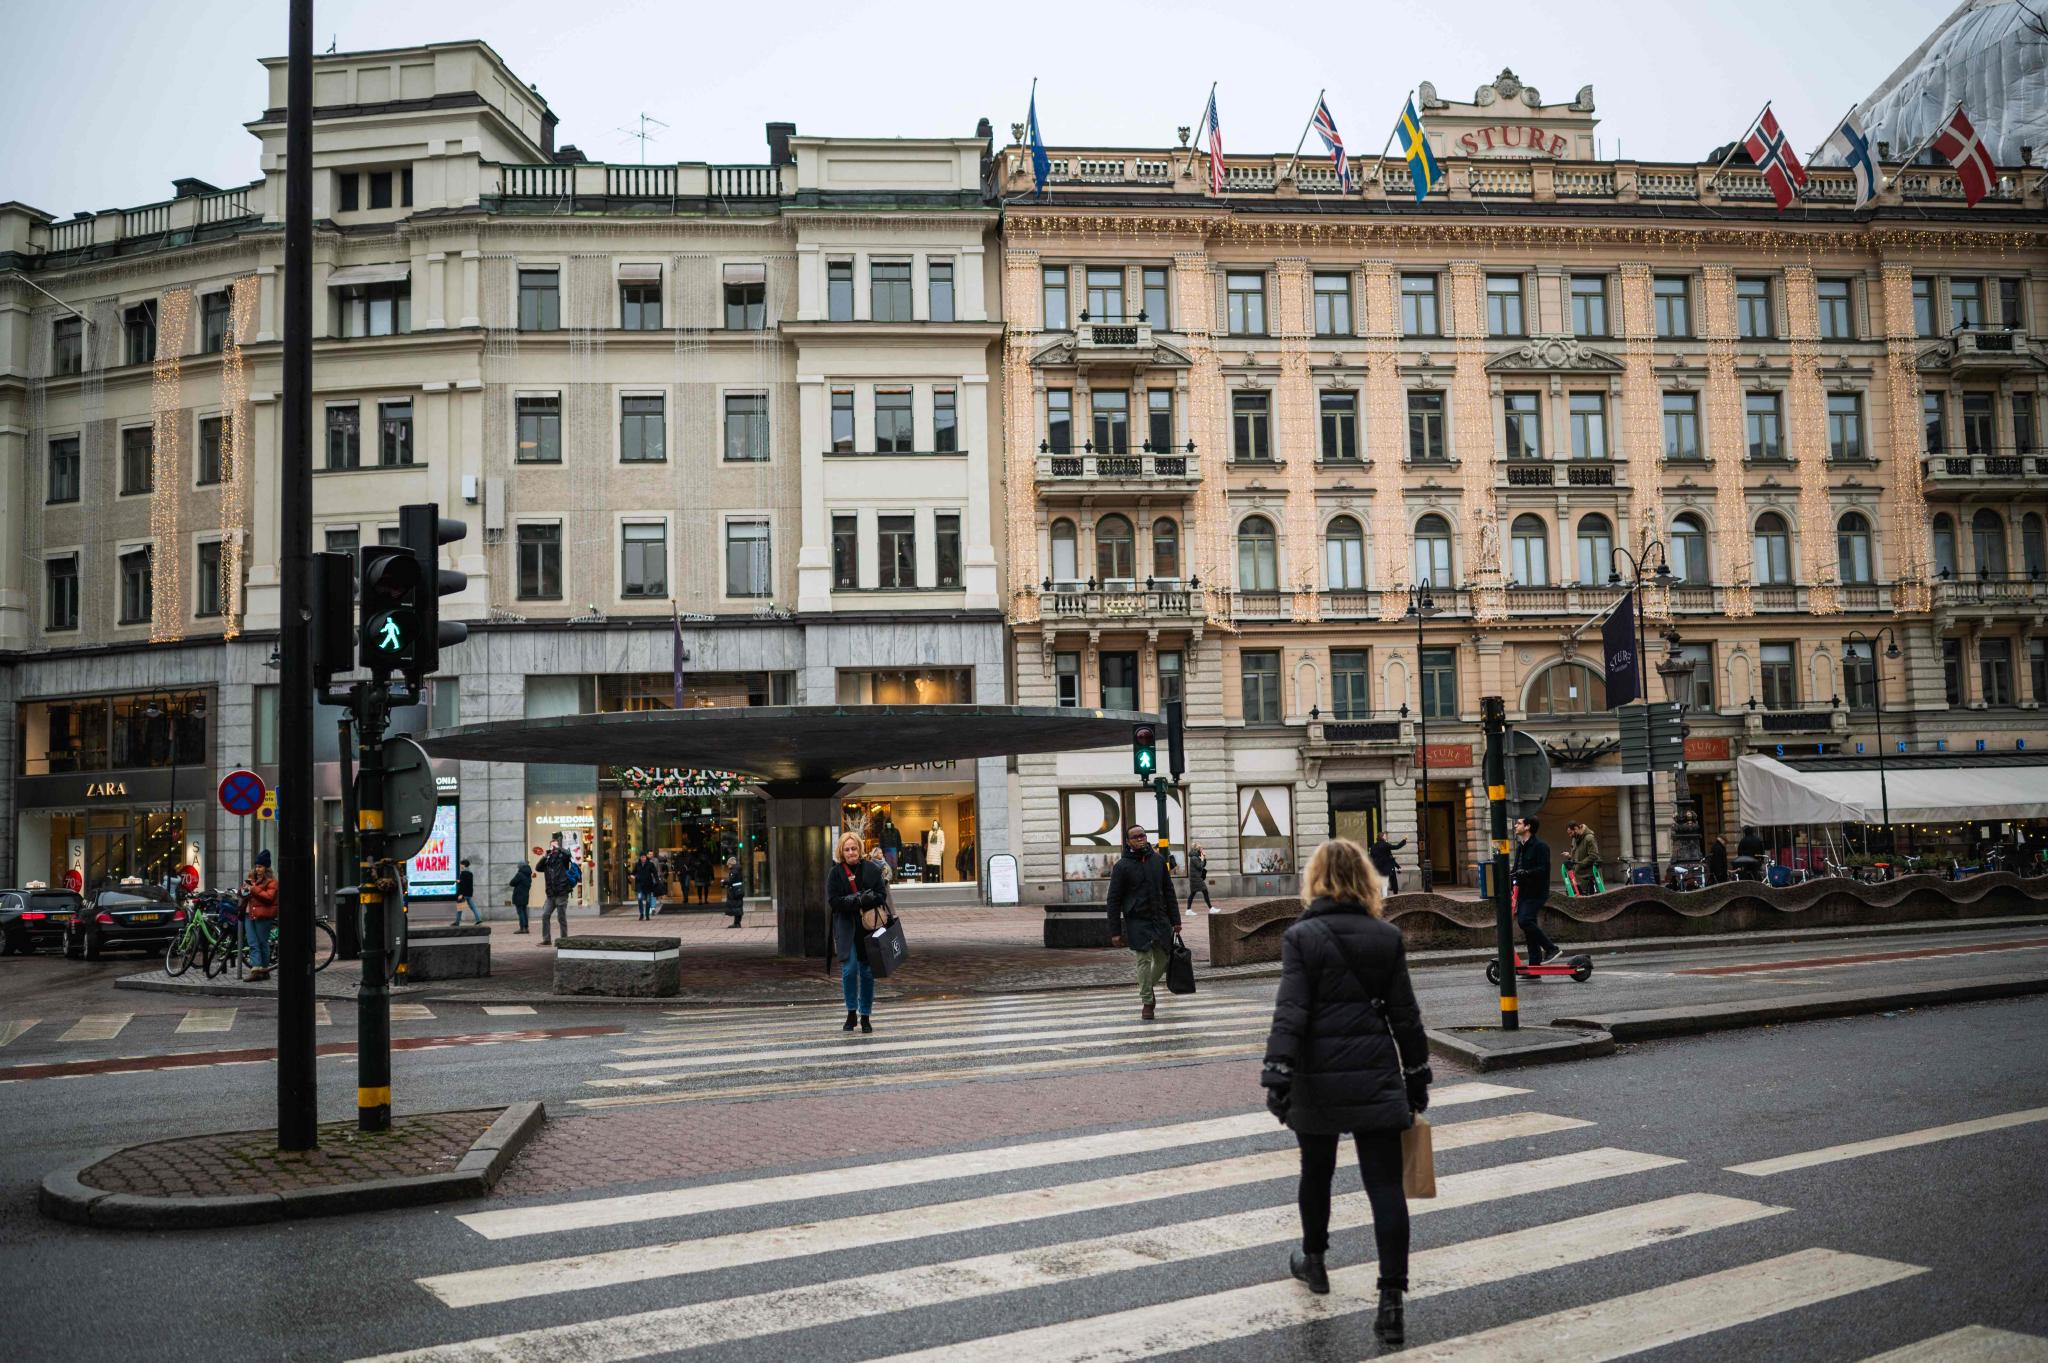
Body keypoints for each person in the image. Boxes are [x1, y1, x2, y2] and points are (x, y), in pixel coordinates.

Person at [1259, 837, 1430, 1347]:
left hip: (1318, 1075)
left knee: (1317, 1172)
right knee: (1385, 1186)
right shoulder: (1386, 936)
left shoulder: (1301, 937)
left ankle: (1314, 1262)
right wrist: (1417, 1074)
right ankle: (1391, 1300)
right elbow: (1405, 1013)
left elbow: (1291, 1011)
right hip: (1376, 1071)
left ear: (1315, 880)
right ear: (1365, 879)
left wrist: (1277, 1074)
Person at [1105, 823, 1178, 1021]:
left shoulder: (1157, 861)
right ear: (1128, 842)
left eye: (1142, 835)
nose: (1140, 839)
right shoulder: (1122, 866)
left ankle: (1147, 987)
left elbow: (1169, 891)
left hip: (1160, 917)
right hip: (1137, 919)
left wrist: (1176, 920)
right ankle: (1147, 1001)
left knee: (1164, 959)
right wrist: (1115, 931)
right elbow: (1113, 900)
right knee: (1143, 959)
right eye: (1135, 837)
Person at [827, 830, 888, 1033]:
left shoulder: (870, 869)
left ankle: (866, 1015)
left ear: (860, 849)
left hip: (869, 928)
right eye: (847, 849)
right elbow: (833, 901)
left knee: (868, 972)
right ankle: (851, 1011)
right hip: (846, 928)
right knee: (849, 969)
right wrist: (854, 900)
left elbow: (882, 895)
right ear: (841, 851)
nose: (851, 852)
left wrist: (868, 898)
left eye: (854, 848)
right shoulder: (835, 873)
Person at [1512, 815, 1561, 966]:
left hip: (1536, 892)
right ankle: (1535, 964)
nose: (1515, 826)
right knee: (1528, 926)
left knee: (1525, 920)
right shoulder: (1521, 847)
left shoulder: (1540, 846)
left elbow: (1543, 869)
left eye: (1518, 823)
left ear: (1527, 827)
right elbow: (1516, 869)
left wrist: (1526, 873)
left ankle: (1551, 948)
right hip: (1523, 892)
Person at [242, 849, 279, 982]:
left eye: (260, 866)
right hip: (249, 914)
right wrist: (243, 890)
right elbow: (245, 895)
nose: (258, 869)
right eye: (256, 866)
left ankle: (263, 970)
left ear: (266, 868)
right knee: (253, 943)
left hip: (263, 916)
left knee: (262, 943)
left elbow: (269, 897)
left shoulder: (272, 882)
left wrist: (253, 889)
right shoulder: (251, 879)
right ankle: (257, 969)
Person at [537, 833, 574, 945]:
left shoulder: (563, 859)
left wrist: (559, 848)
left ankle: (564, 938)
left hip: (561, 892)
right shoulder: (548, 860)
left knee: (561, 917)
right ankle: (546, 939)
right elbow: (538, 868)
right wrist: (544, 856)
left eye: (555, 846)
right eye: (551, 846)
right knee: (545, 915)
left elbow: (568, 854)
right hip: (550, 894)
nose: (553, 848)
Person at [1566, 822, 1601, 895]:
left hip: (1588, 876)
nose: (1570, 836)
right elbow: (1576, 855)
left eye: (1570, 833)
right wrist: (1570, 856)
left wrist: (1580, 864)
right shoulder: (1575, 839)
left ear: (1576, 828)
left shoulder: (1589, 838)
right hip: (1578, 875)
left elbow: (1593, 855)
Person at [1181, 842, 1214, 916]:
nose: (1202, 849)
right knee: (1204, 891)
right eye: (1201, 848)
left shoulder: (1196, 856)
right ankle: (1211, 908)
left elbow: (1203, 865)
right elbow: (1199, 867)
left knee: (1193, 893)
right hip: (1196, 878)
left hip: (1196, 878)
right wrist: (1202, 859)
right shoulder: (1194, 858)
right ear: (1197, 849)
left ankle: (1188, 910)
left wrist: (1204, 858)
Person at [508, 858, 533, 934]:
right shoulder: (528, 874)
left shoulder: (520, 874)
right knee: (524, 911)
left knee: (520, 912)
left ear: (520, 866)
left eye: (518, 866)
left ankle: (522, 928)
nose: (518, 867)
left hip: (518, 895)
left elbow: (511, 883)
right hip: (525, 895)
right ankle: (526, 928)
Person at [453, 858, 480, 926]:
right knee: (473, 907)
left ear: (464, 865)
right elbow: (468, 883)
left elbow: (463, 885)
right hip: (469, 893)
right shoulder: (470, 873)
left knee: (460, 908)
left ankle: (457, 922)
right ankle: (478, 919)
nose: (460, 866)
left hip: (463, 894)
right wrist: (460, 881)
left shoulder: (463, 873)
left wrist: (461, 894)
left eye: (461, 865)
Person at [633, 853, 659, 921]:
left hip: (648, 885)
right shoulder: (637, 865)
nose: (643, 858)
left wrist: (657, 881)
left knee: (648, 900)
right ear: (640, 858)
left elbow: (655, 873)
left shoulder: (650, 864)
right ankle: (641, 914)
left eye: (644, 857)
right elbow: (633, 872)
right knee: (639, 898)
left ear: (646, 857)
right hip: (639, 885)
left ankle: (647, 915)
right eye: (642, 857)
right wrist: (632, 875)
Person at [725, 860, 746, 927]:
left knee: (736, 906)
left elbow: (731, 880)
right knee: (738, 905)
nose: (728, 866)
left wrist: (724, 881)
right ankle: (737, 922)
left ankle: (736, 923)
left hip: (735, 891)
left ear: (731, 864)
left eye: (728, 865)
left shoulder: (734, 871)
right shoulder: (738, 869)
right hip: (739, 890)